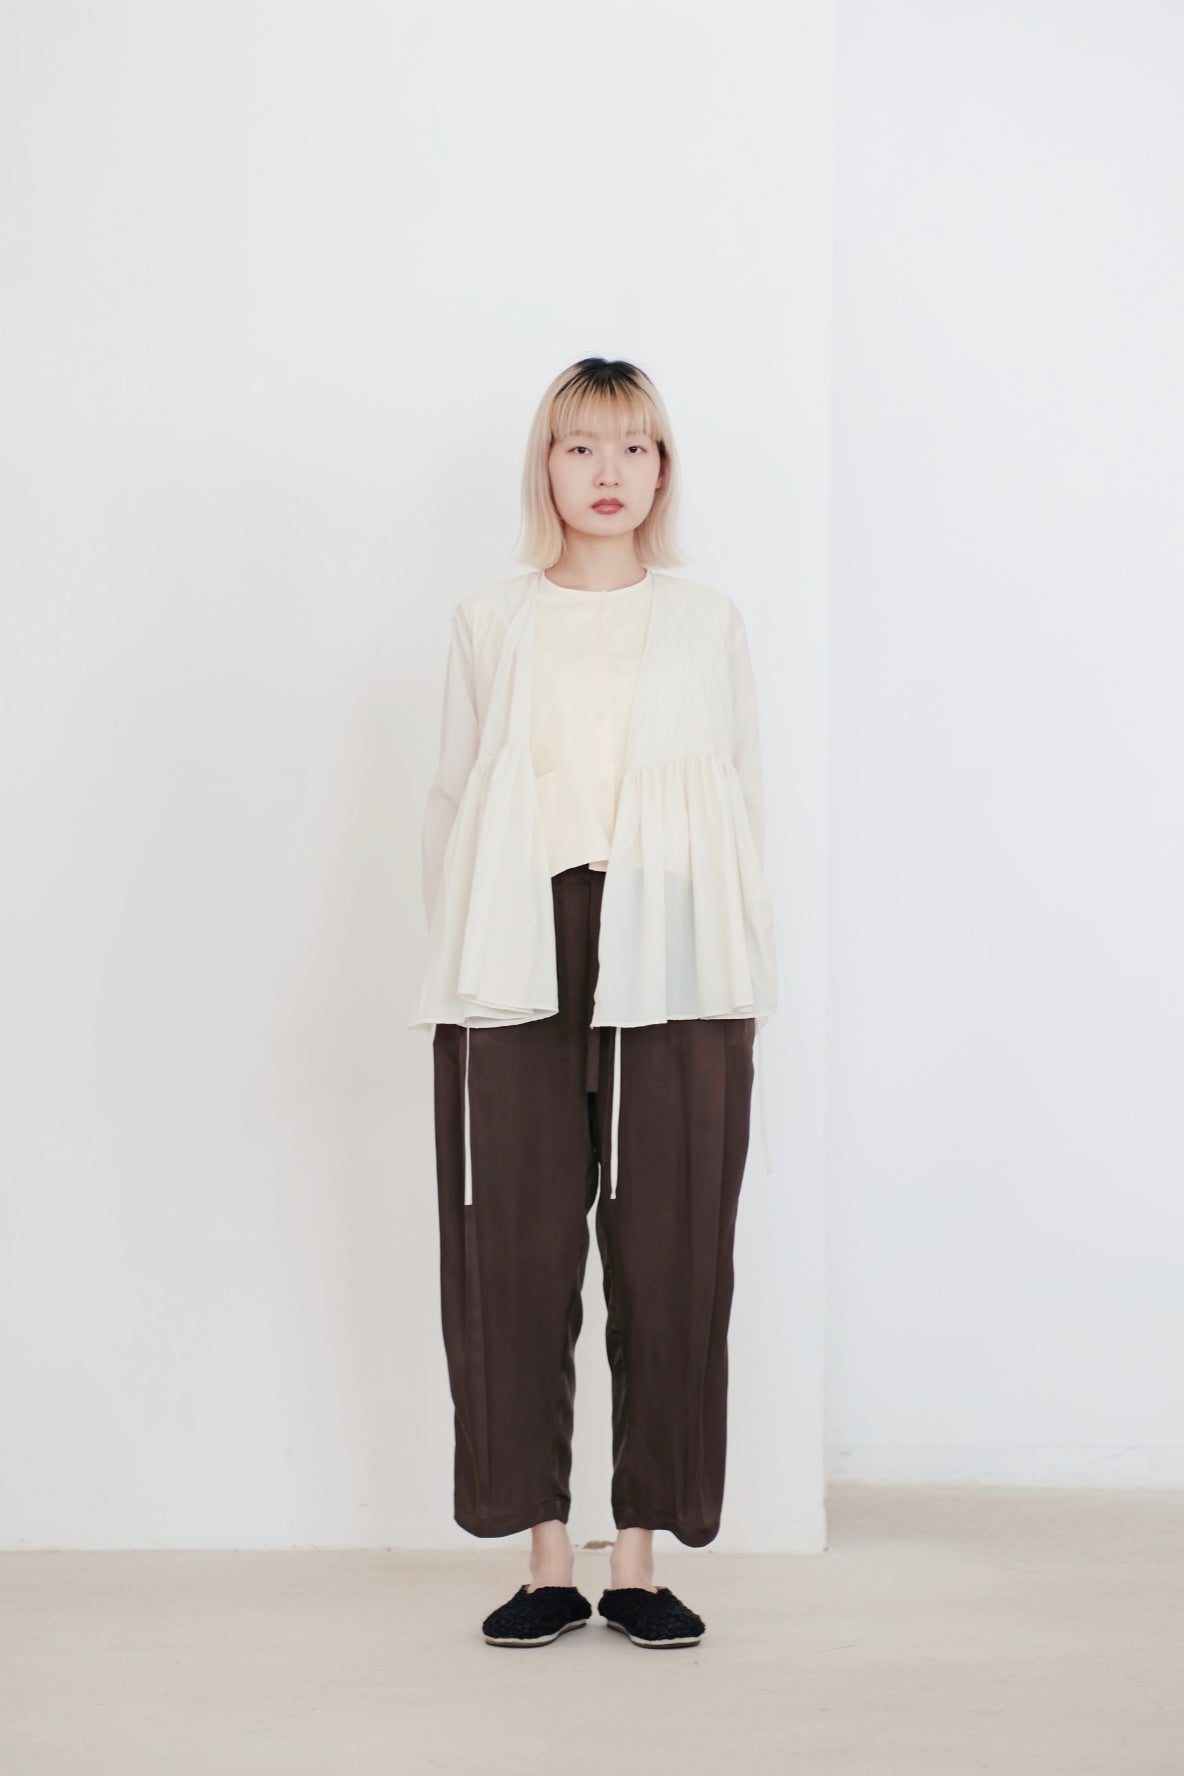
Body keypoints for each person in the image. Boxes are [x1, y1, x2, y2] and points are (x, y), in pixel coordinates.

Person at [408, 357, 778, 1649]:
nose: (607, 472)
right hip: (517, 941)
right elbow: (451, 800)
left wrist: (735, 968)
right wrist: (466, 959)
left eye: (633, 446)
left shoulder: (707, 621)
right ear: (545, 468)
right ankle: (544, 1554)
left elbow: (740, 803)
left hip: (676, 950)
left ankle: (641, 1554)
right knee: (511, 1248)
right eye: (579, 446)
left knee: (674, 1248)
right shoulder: (490, 619)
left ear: (664, 469)